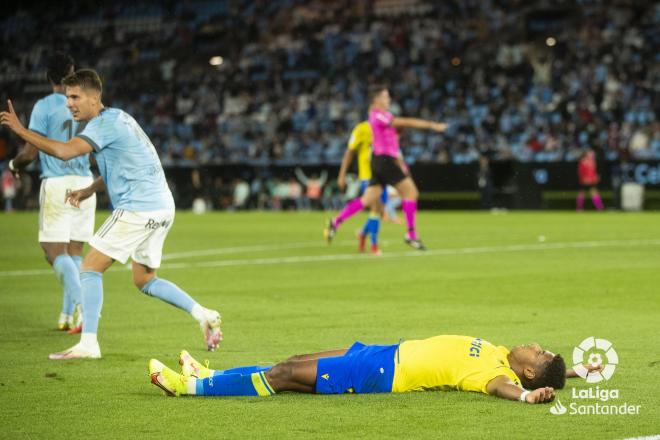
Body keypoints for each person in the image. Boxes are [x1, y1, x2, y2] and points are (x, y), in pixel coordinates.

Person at [0, 69, 222, 359]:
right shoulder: (120, 118)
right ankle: (202, 313)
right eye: (68, 98)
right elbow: (127, 163)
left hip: (139, 207)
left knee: (89, 267)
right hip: (162, 206)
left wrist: (21, 130)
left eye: (76, 97)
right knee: (144, 279)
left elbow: (66, 152)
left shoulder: (102, 125)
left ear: (95, 98)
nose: (70, 103)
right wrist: (90, 189)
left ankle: (89, 344)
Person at [148, 334, 597, 404]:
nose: (535, 346)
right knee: (293, 362)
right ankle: (210, 374)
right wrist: (575, 372)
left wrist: (526, 397)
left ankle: (190, 389)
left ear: (529, 374)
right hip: (384, 352)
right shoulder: (502, 352)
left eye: (539, 355)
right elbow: (551, 373)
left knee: (284, 375)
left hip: (380, 376)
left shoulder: (496, 377)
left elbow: (506, 390)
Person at [7, 52, 94, 332]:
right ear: (71, 74)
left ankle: (83, 306)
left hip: (58, 181)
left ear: (47, 78)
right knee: (74, 250)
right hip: (84, 181)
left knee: (52, 250)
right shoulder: (83, 104)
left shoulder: (44, 105)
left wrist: (14, 164)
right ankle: (67, 316)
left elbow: (31, 151)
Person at [325, 85, 447, 251]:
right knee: (411, 193)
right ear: (376, 100)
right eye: (385, 97)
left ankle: (336, 222)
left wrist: (400, 164)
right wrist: (431, 125)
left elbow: (394, 141)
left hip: (381, 161)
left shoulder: (385, 116)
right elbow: (402, 122)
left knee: (367, 200)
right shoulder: (376, 116)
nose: (388, 100)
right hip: (384, 161)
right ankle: (410, 235)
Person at [336, 120, 388, 254]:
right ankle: (374, 246)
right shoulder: (362, 129)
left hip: (382, 177)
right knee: (375, 208)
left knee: (380, 212)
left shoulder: (385, 130)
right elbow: (350, 152)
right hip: (367, 177)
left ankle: (363, 233)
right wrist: (342, 175)